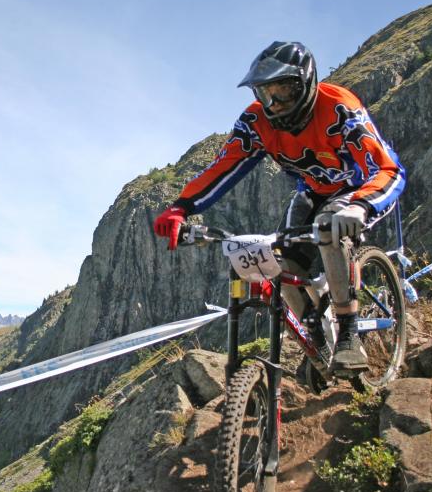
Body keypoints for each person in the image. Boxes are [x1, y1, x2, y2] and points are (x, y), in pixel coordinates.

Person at [154, 41, 405, 376]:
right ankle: (316, 340)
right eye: (264, 93)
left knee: (332, 227)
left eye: (283, 92)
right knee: (278, 263)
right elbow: (223, 167)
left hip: (356, 190)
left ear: (306, 83)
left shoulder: (339, 108)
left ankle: (348, 334)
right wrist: (181, 208)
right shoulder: (257, 122)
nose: (274, 104)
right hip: (311, 193)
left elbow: (387, 169)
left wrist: (360, 207)